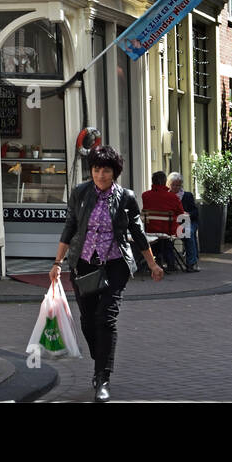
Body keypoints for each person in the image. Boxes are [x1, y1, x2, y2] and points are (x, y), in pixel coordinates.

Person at [50, 144, 163, 402]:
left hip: (115, 265)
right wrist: (57, 263)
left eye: (106, 170)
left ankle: (102, 377)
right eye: (96, 169)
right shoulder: (79, 193)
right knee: (88, 321)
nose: (101, 175)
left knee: (106, 319)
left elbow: (138, 233)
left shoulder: (126, 197)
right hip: (84, 264)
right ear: (90, 170)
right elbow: (70, 227)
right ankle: (100, 356)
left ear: (115, 172)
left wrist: (153, 264)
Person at [141, 170, 187, 271]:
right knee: (179, 231)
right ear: (165, 182)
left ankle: (156, 259)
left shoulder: (145, 195)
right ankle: (170, 262)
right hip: (168, 230)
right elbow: (180, 213)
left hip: (151, 229)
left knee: (159, 236)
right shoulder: (172, 197)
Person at [167, 172, 201, 273]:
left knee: (188, 232)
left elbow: (196, 212)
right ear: (169, 184)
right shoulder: (166, 196)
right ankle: (170, 262)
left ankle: (191, 263)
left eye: (178, 185)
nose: (176, 187)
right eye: (173, 185)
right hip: (173, 224)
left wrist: (188, 214)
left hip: (188, 222)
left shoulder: (187, 196)